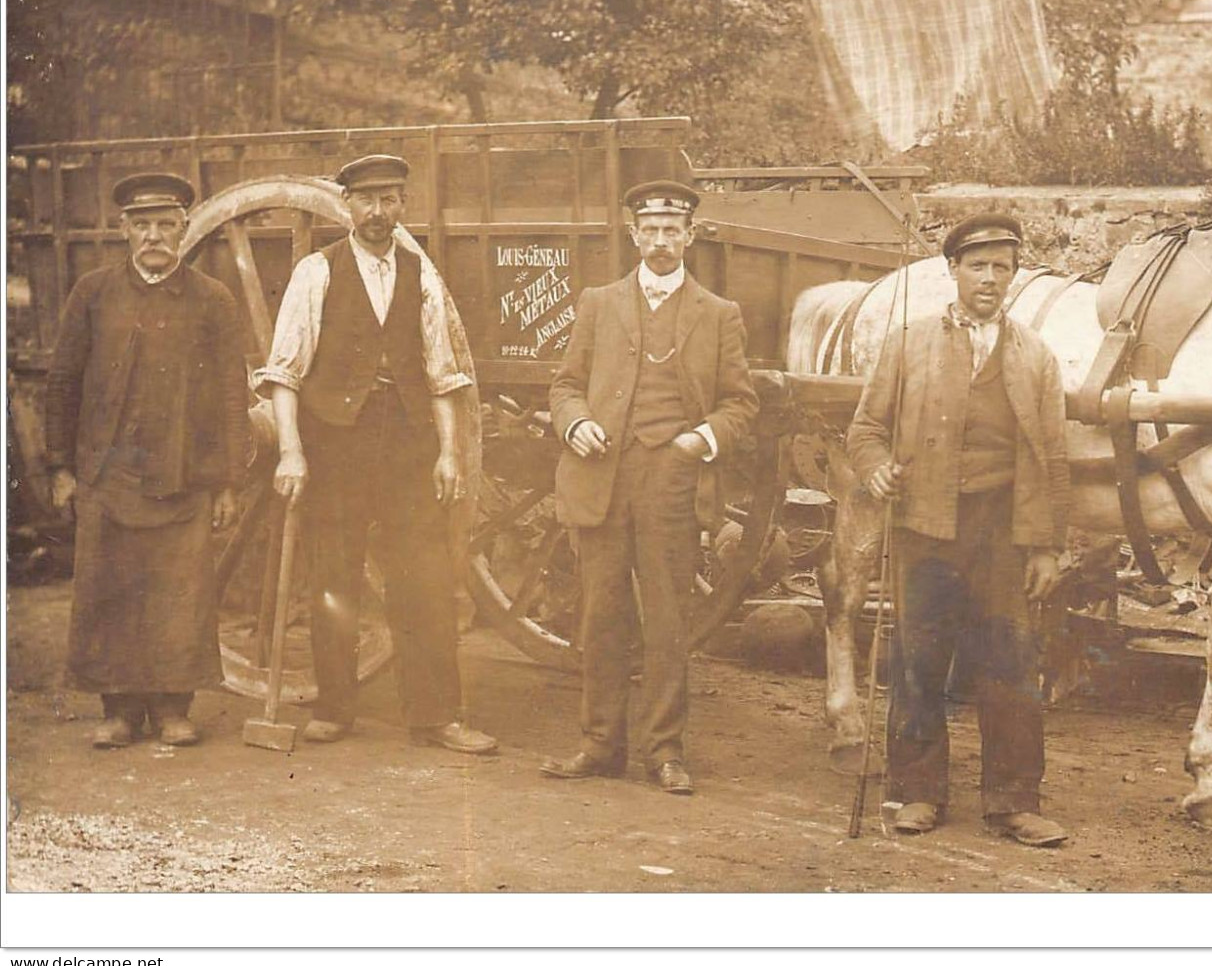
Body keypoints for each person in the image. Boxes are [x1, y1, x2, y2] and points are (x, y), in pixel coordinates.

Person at [254, 154, 497, 754]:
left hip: (408, 443)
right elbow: (284, 372)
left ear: (402, 206)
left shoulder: (421, 274)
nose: (378, 212)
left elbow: (443, 374)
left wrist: (447, 452)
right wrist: (290, 451)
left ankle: (436, 717)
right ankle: (336, 707)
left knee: (426, 579)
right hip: (335, 440)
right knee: (334, 574)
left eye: (390, 200)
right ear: (347, 206)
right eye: (367, 200)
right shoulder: (318, 272)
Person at [846, 212, 1071, 847]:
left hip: (1002, 529)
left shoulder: (1036, 357)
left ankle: (1014, 802)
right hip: (925, 525)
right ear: (953, 271)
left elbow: (1053, 458)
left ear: (1014, 276)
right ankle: (916, 792)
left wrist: (1048, 545)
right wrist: (876, 470)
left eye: (1003, 268)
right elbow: (864, 431)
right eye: (978, 266)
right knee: (919, 657)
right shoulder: (909, 343)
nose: (990, 280)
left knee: (1009, 661)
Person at [541, 179, 758, 795]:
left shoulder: (718, 315)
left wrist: (700, 440)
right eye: (651, 230)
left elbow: (741, 404)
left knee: (667, 622)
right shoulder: (598, 303)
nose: (661, 242)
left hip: (672, 484)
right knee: (600, 616)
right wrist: (576, 422)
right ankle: (599, 744)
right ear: (632, 235)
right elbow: (564, 386)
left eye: (673, 231)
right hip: (603, 480)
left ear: (690, 237)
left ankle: (665, 752)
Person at [45, 173, 249, 748]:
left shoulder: (213, 299)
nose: (154, 236)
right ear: (124, 231)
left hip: (185, 476)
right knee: (111, 589)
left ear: (184, 229)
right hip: (108, 474)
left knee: (179, 593)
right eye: (142, 226)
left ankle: (172, 709)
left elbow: (233, 393)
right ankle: (119, 711)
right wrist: (61, 467)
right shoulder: (92, 293)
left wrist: (229, 480)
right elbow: (63, 382)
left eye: (165, 225)